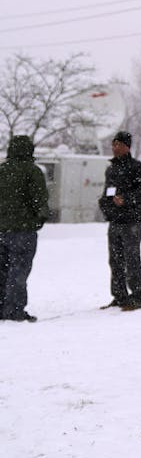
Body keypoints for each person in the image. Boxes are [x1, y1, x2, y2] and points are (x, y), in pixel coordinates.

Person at [100, 130, 141, 312]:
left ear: (127, 147)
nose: (115, 148)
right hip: (115, 221)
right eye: (113, 144)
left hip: (132, 221)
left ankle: (136, 296)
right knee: (115, 260)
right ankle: (119, 296)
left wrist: (128, 199)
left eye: (118, 145)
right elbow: (107, 193)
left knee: (131, 259)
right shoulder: (111, 169)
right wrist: (107, 207)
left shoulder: (137, 168)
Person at [0, 135, 49, 322]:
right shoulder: (32, 171)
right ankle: (14, 310)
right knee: (18, 271)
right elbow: (39, 199)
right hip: (23, 230)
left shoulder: (2, 170)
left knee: (2, 270)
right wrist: (39, 219)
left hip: (1, 230)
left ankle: (2, 307)